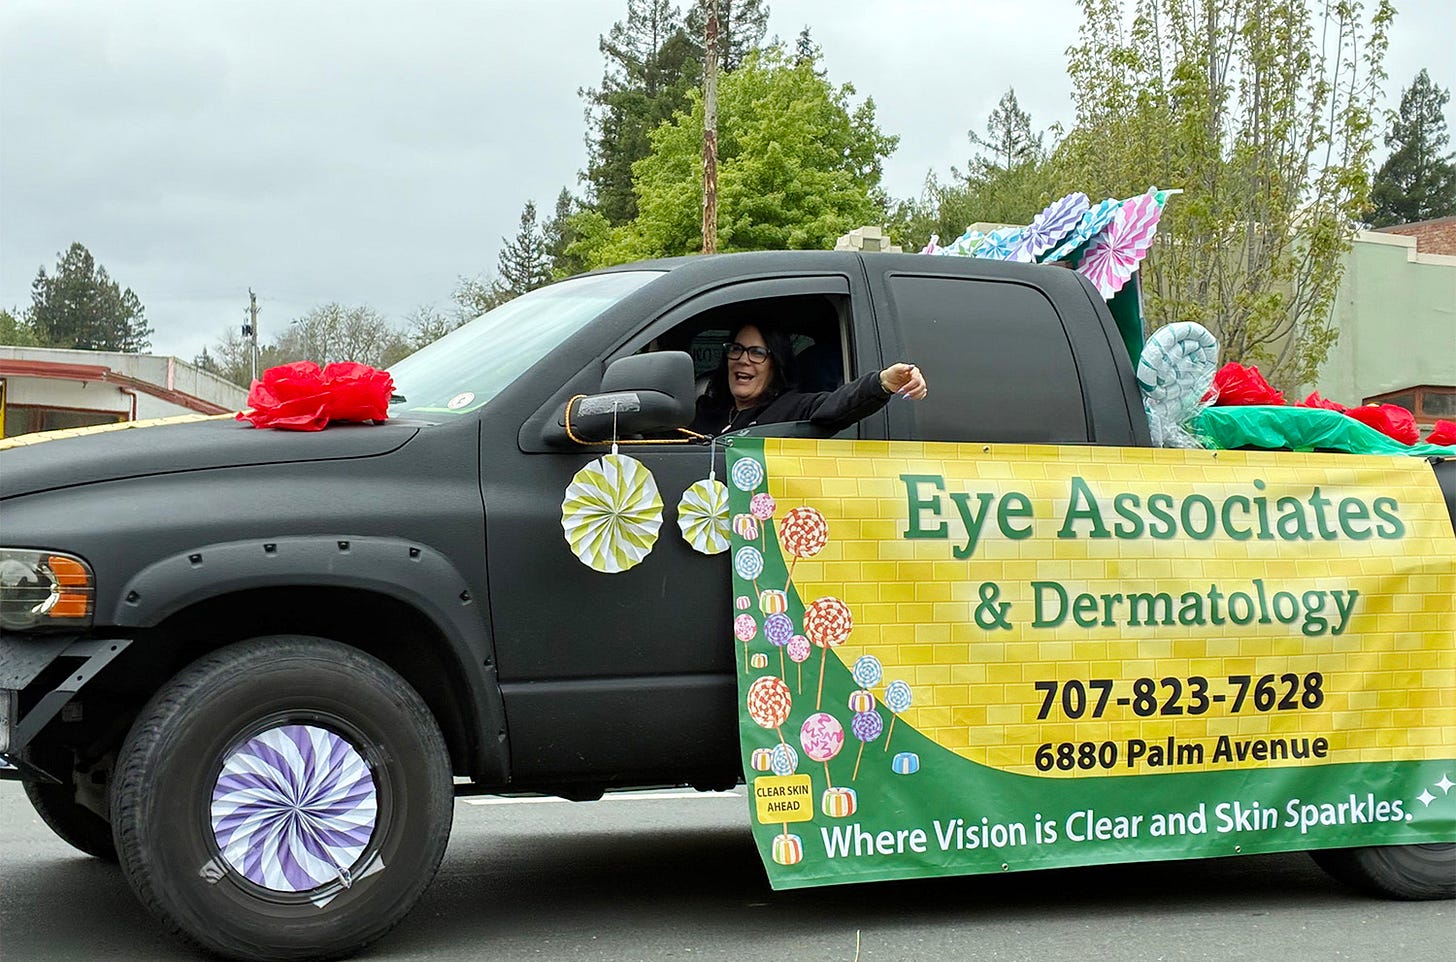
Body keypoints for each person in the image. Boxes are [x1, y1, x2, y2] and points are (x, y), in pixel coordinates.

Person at [692, 321, 928, 436]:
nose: (743, 360)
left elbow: (838, 404)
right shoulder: (704, 410)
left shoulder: (792, 408)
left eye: (757, 353)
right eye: (736, 349)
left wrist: (882, 382)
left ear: (775, 364)